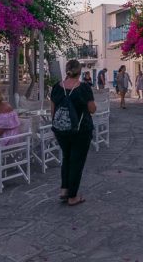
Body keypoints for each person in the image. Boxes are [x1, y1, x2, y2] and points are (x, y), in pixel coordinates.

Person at [51, 59, 96, 206]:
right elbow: (92, 109)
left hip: (61, 129)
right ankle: (73, 196)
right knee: (77, 161)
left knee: (67, 158)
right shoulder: (83, 88)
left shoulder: (56, 87)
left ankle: (64, 189)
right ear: (80, 71)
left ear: (67, 71)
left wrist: (58, 126)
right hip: (80, 130)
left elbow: (53, 110)